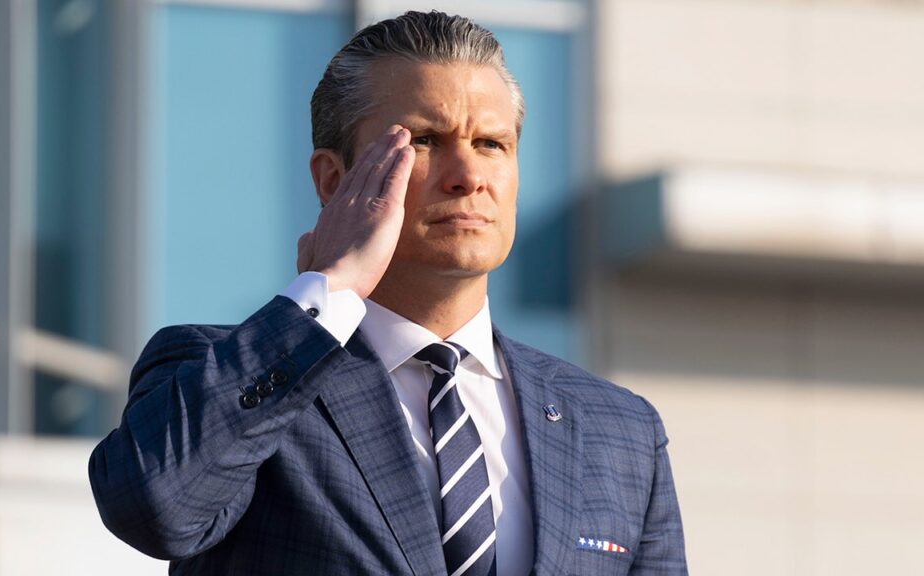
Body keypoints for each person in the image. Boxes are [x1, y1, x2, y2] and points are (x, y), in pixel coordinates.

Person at [89, 10, 687, 576]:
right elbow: (154, 509)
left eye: (491, 144)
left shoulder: (620, 429)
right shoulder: (226, 371)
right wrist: (331, 286)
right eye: (424, 140)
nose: (469, 176)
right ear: (333, 179)